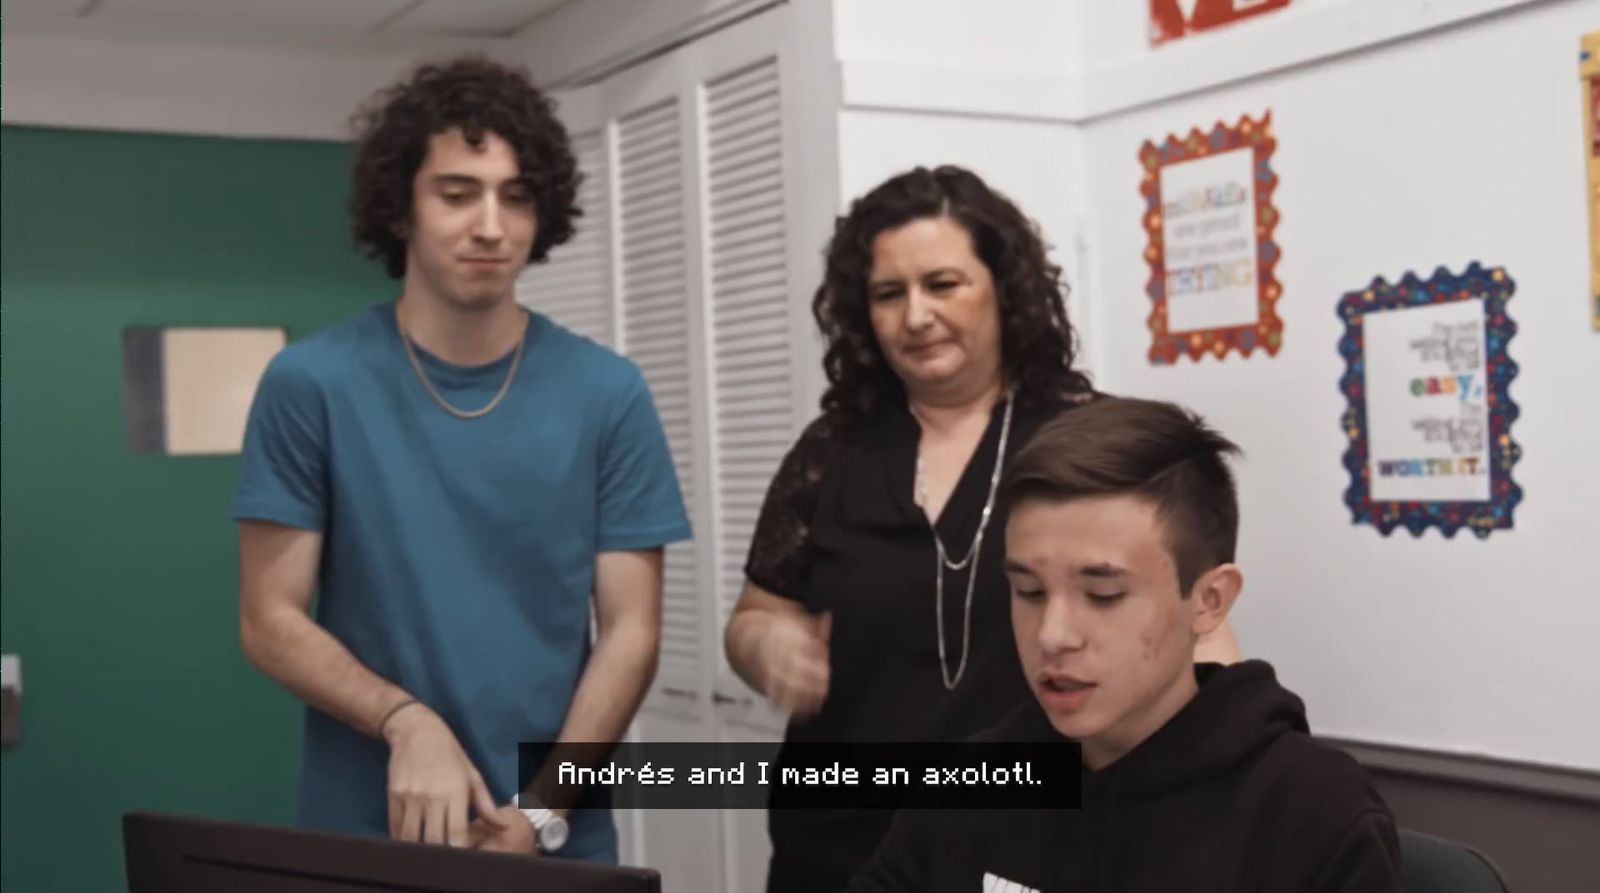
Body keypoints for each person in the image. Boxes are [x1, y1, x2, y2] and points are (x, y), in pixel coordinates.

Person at [722, 165, 1241, 892]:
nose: (915, 315)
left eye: (942, 284)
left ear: (1004, 289)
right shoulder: (831, 449)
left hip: (1030, 837)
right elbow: (754, 615)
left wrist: (1237, 767)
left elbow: (1189, 620)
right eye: (888, 293)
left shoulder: (1085, 438)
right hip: (838, 842)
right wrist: (765, 644)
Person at [233, 57, 690, 862]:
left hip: (555, 839)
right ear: (401, 207)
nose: (491, 225)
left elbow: (631, 633)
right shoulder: (312, 384)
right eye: (457, 193)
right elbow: (270, 618)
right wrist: (406, 719)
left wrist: (540, 816)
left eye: (516, 197)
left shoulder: (607, 392)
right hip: (367, 830)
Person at [848, 397, 1404, 892]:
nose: (1052, 635)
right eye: (1029, 591)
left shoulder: (1309, 812)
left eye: (1104, 594)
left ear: (1209, 601)